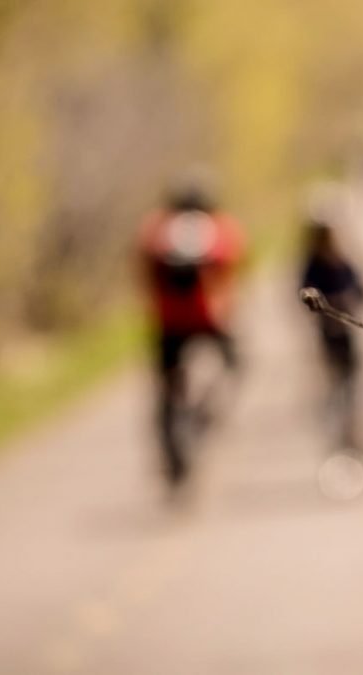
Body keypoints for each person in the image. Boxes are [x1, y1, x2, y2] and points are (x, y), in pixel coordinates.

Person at [136, 179, 244, 490]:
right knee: (234, 366)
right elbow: (233, 264)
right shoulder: (220, 226)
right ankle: (203, 417)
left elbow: (142, 267)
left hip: (169, 322)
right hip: (211, 317)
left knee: (167, 390)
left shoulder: (156, 227)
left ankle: (171, 453)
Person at [299, 211, 363, 452]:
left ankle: (351, 431)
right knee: (334, 382)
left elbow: (362, 291)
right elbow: (303, 296)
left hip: (346, 330)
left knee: (350, 381)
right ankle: (338, 432)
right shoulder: (314, 265)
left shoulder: (340, 261)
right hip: (327, 333)